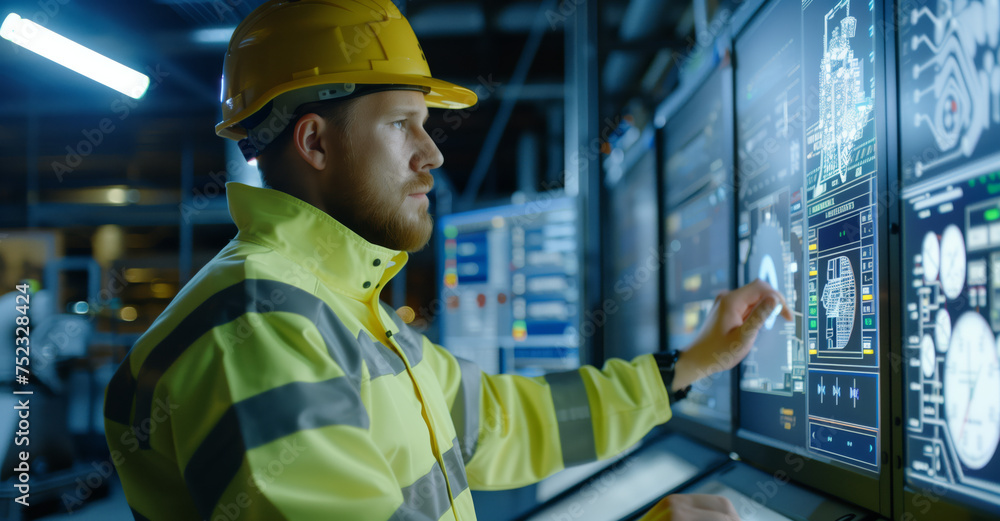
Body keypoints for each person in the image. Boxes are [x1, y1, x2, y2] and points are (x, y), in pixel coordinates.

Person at [103, 1, 791, 520]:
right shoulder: (256, 327)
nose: (431, 155)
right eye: (402, 124)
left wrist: (691, 364)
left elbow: (505, 421)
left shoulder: (348, 310)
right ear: (314, 141)